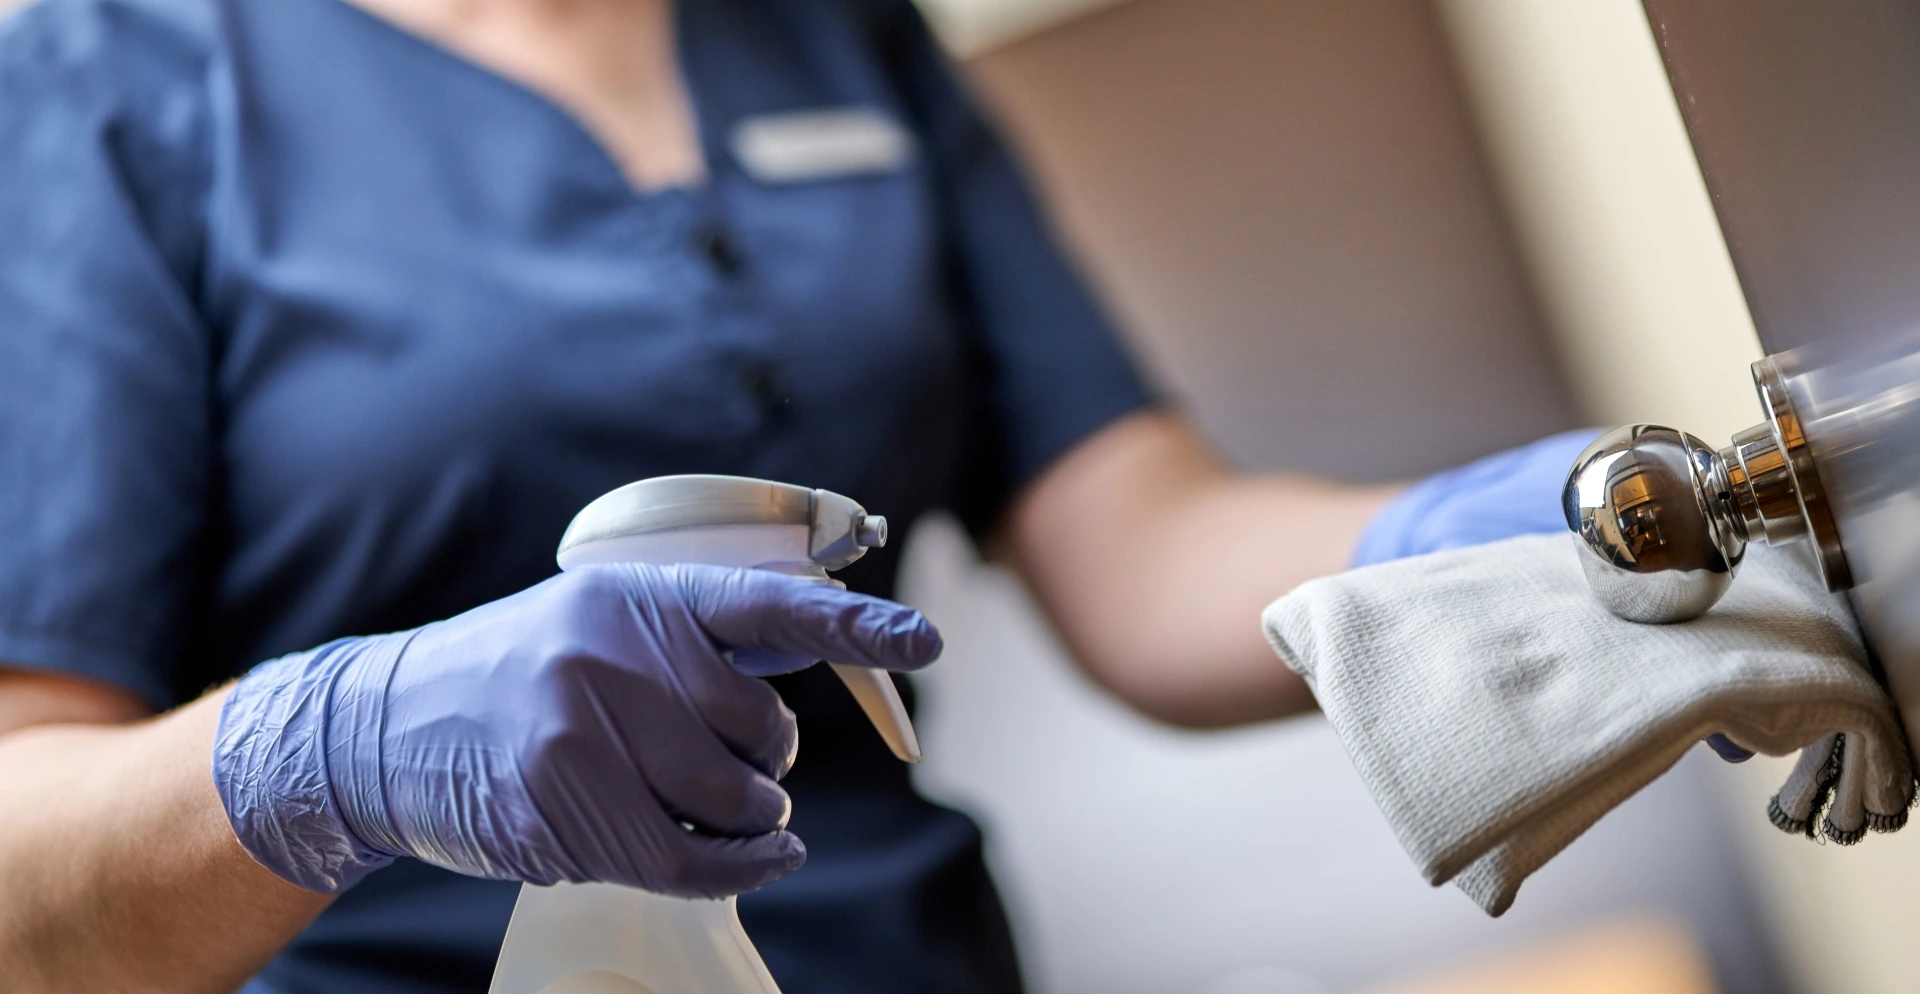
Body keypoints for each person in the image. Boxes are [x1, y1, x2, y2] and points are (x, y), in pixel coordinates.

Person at [0, 0, 1595, 990]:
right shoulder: (109, 82)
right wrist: (335, 751)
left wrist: (1536, 551)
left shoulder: (833, 27)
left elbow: (1142, 545)